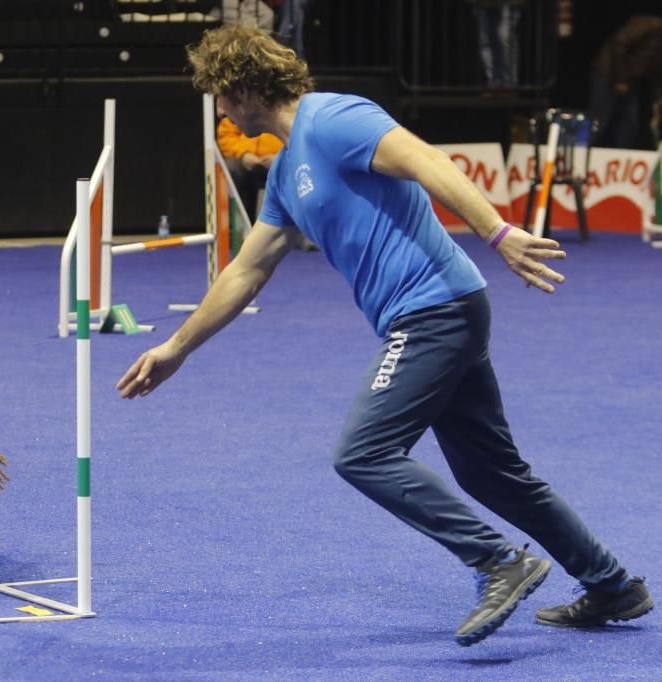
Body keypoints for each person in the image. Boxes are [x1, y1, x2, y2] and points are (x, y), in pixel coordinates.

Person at [116, 25, 653, 646]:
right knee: (492, 473)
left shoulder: (334, 117)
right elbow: (247, 269)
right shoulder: (289, 171)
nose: (219, 109)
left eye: (218, 94)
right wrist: (175, 347)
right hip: (438, 310)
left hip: (434, 310)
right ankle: (613, 585)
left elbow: (428, 161)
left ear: (240, 89)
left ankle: (497, 560)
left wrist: (497, 233)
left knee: (363, 452)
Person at [587, 15, 662, 150]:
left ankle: (623, 158)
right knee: (600, 119)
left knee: (628, 124)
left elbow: (655, 72)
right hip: (607, 73)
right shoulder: (649, 24)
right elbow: (618, 44)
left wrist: (658, 100)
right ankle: (583, 151)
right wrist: (621, 80)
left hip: (630, 80)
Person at [216, 109, 282, 222]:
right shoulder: (241, 103)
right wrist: (244, 154)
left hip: (279, 162)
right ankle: (233, 228)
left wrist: (281, 157)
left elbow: (297, 135)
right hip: (246, 161)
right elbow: (226, 135)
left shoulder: (283, 105)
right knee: (229, 169)